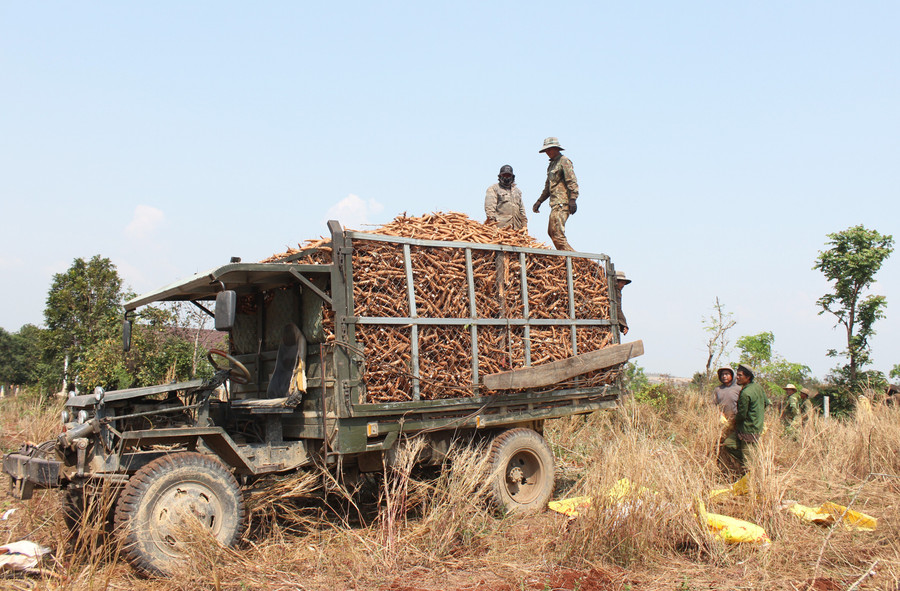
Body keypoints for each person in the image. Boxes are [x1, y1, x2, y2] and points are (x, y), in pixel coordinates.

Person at [532, 137, 579, 251]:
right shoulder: (551, 165)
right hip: (555, 204)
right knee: (551, 232)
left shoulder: (564, 161)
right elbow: (548, 187)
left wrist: (573, 199)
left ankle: (573, 259)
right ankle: (565, 257)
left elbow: (572, 181)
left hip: (563, 203)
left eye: (550, 149)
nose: (548, 153)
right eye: (546, 150)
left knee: (557, 233)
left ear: (556, 149)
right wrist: (539, 201)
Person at [723, 364, 767, 468]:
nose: (737, 377)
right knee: (729, 443)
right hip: (756, 427)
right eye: (737, 375)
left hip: (748, 430)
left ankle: (751, 474)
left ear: (748, 377)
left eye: (740, 375)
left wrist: (733, 421)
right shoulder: (758, 387)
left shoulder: (745, 392)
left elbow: (742, 414)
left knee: (748, 460)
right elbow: (766, 402)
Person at [484, 165, 527, 230]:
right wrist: (492, 223)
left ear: (512, 177)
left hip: (517, 229)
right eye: (504, 175)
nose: (506, 177)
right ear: (499, 176)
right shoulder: (494, 189)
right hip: (501, 228)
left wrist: (524, 225)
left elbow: (522, 210)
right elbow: (489, 208)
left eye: (508, 175)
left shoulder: (517, 191)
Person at [615, 270, 630, 335]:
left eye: (624, 283)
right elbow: (618, 308)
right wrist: (624, 325)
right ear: (616, 282)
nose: (623, 285)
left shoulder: (617, 291)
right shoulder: (615, 292)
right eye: (622, 282)